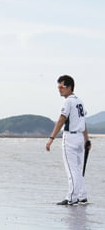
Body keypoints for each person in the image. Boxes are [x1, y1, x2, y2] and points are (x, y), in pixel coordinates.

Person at [46, 75, 90, 205]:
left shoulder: (68, 102)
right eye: (58, 87)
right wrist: (86, 140)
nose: (59, 89)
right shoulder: (79, 101)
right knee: (77, 168)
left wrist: (51, 138)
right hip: (80, 137)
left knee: (71, 169)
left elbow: (61, 120)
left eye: (61, 87)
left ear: (69, 87)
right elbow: (84, 122)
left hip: (70, 137)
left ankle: (71, 197)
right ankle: (82, 195)